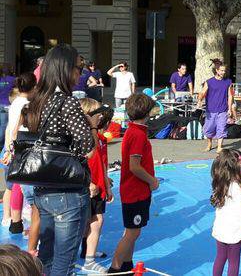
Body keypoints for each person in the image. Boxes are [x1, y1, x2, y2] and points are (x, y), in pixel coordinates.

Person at [21, 44, 98, 275]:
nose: (80, 74)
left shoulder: (38, 101)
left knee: (47, 258)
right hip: (68, 190)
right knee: (64, 265)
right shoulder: (67, 102)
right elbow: (88, 148)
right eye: (78, 68)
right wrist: (92, 126)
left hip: (43, 188)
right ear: (65, 69)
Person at [109, 94, 160, 274]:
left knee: (132, 230)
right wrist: (152, 181)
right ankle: (115, 268)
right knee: (132, 232)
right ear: (146, 113)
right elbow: (134, 166)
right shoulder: (137, 134)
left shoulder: (133, 130)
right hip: (135, 191)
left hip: (134, 190)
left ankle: (126, 264)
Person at [78, 98, 113, 273]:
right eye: (96, 113)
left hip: (98, 184)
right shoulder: (84, 137)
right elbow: (81, 162)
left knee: (92, 220)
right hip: (90, 185)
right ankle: (89, 260)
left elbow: (102, 163)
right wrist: (90, 182)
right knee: (95, 220)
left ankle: (87, 252)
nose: (100, 117)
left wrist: (106, 183)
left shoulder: (98, 137)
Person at [1, 73, 35, 235]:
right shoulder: (29, 104)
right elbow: (19, 127)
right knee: (28, 187)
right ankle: (27, 220)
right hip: (24, 145)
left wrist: (8, 147)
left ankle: (12, 219)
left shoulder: (15, 103)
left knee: (13, 185)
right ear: (34, 87)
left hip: (13, 145)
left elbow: (10, 127)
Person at [211, 149, 241, 276]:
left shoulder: (220, 184)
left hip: (220, 229)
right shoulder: (236, 187)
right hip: (234, 230)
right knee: (234, 260)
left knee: (220, 257)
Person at [197, 59, 235, 154]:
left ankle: (219, 147)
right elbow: (202, 93)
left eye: (224, 70)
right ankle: (209, 144)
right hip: (211, 110)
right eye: (222, 70)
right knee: (209, 129)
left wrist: (230, 108)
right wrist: (200, 100)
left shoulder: (228, 82)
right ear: (217, 71)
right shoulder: (209, 82)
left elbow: (230, 96)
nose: (223, 72)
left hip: (223, 109)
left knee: (221, 128)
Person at [0, 67, 15, 149]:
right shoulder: (13, 79)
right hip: (7, 105)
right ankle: (2, 145)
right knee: (4, 126)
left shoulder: (0, 79)